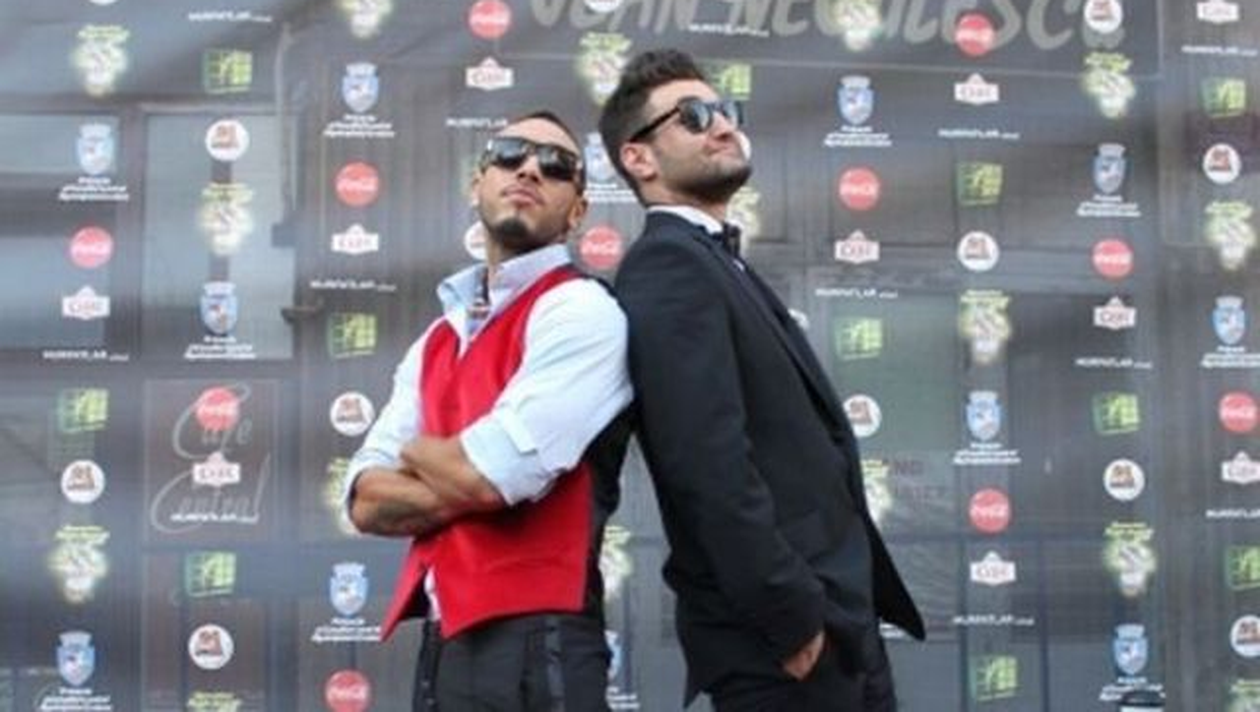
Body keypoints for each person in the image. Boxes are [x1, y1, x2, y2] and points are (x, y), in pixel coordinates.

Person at [599, 49, 924, 711]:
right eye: (693, 117)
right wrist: (790, 615)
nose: (722, 126)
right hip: (785, 641)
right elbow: (705, 463)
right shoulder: (668, 265)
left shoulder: (714, 259)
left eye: (725, 111)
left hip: (838, 622)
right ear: (639, 158)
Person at [345, 110, 633, 711]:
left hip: (543, 646)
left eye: (556, 166)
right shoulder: (438, 336)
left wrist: (416, 452)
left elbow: (491, 476)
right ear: (477, 183)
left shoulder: (582, 311)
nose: (529, 169)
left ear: (577, 212)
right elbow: (365, 501)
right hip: (444, 644)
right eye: (509, 154)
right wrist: (462, 470)